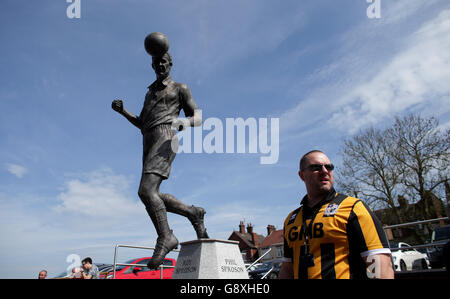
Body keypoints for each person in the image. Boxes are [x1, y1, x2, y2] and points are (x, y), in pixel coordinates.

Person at [111, 39, 208, 270]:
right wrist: (123, 111)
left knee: (145, 190)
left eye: (164, 62)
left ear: (170, 63)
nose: (160, 66)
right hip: (149, 138)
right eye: (157, 63)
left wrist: (184, 122)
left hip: (167, 137)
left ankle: (166, 237)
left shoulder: (180, 88)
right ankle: (193, 213)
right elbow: (142, 123)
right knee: (152, 192)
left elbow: (198, 117)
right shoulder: (149, 93)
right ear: (153, 66)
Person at [279, 150, 394, 279]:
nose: (324, 171)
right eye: (316, 167)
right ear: (302, 175)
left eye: (329, 167)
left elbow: (379, 264)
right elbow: (287, 269)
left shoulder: (354, 208)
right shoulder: (291, 220)